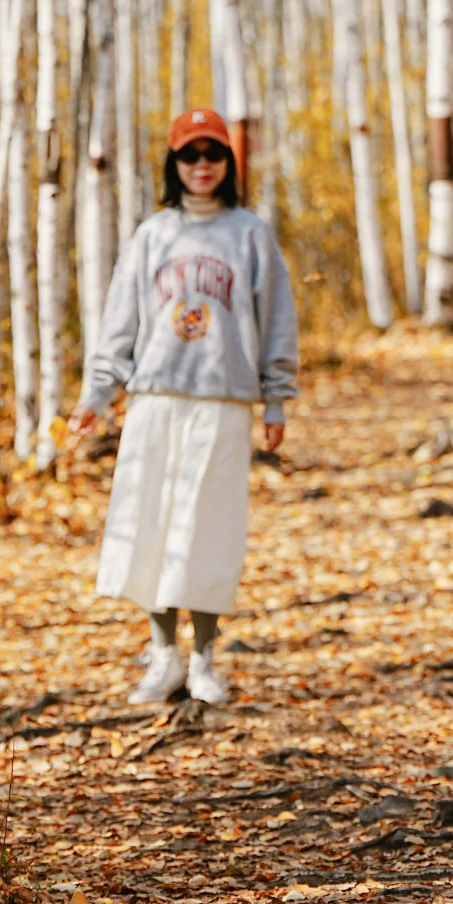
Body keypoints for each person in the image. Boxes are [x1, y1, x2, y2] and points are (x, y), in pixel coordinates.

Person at [69, 107, 298, 706]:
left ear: (228, 163)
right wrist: (97, 392)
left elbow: (277, 320)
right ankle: (164, 655)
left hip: (222, 402)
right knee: (153, 527)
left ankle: (204, 660)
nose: (202, 165)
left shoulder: (249, 234)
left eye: (213, 154)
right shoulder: (154, 234)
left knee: (209, 531)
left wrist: (277, 397)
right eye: (190, 155)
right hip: (156, 398)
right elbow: (120, 321)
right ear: (174, 163)